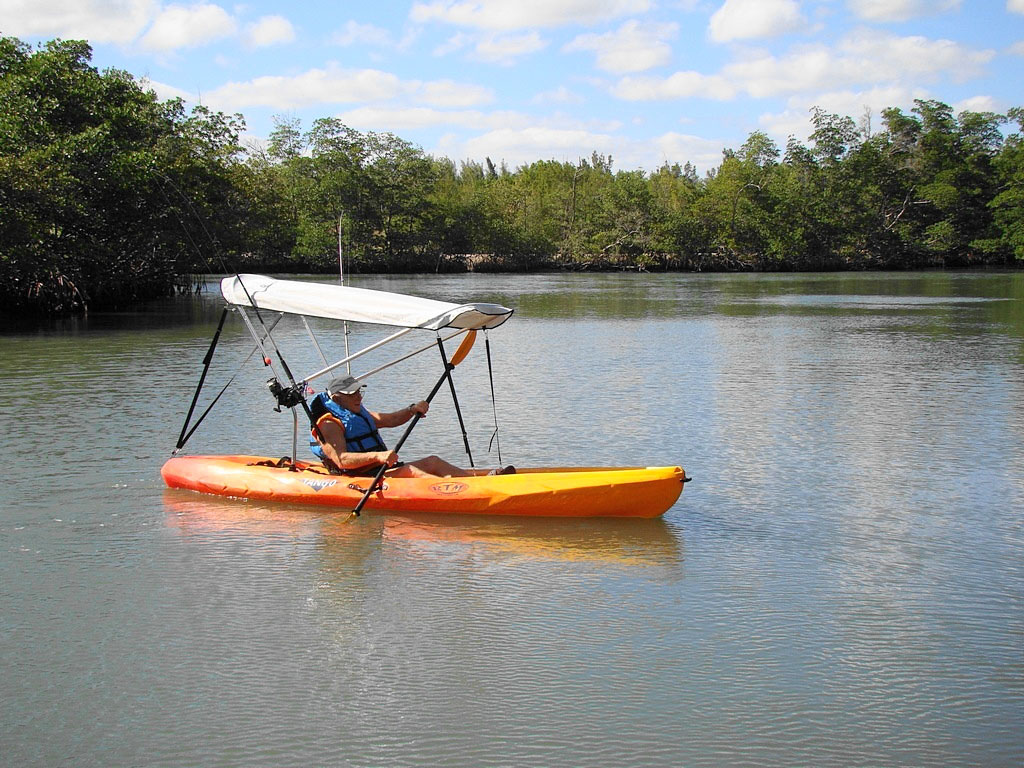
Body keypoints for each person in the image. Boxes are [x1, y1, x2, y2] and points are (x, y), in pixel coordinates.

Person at [308, 375, 514, 478]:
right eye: (352, 394)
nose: (358, 396)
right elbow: (341, 460)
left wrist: (412, 409)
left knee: (433, 461)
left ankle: (477, 482)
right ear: (337, 398)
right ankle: (457, 491)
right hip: (361, 477)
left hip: (380, 469)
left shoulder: (356, 412)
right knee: (409, 471)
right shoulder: (328, 424)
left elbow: (389, 420)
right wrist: (377, 456)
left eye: (359, 392)